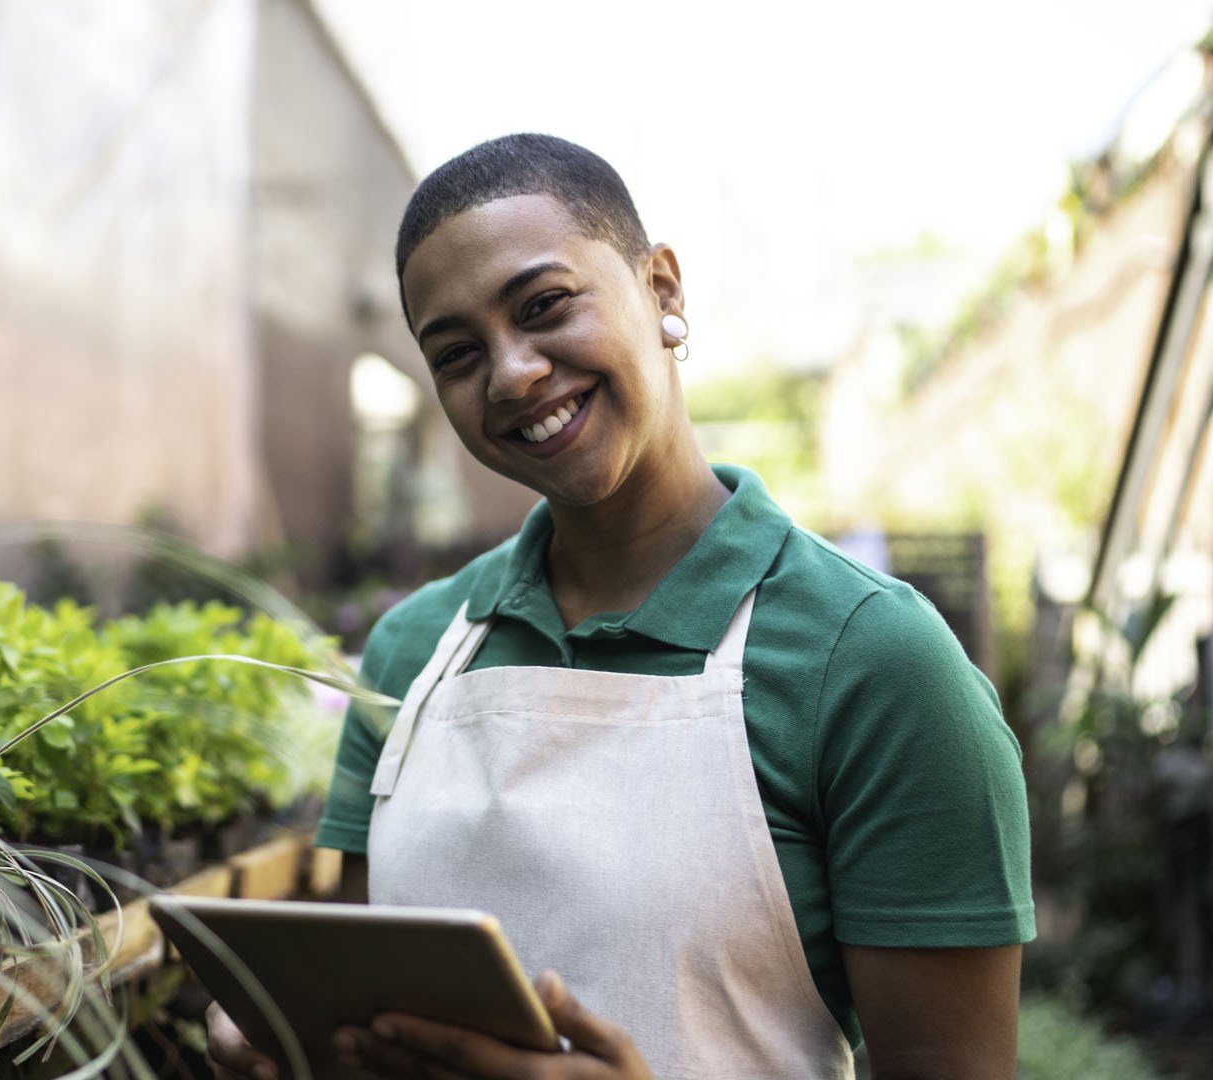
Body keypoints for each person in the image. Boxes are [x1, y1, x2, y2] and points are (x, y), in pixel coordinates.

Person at [206, 134, 1033, 1079]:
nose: (512, 373)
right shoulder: (410, 656)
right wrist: (287, 1041)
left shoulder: (875, 666)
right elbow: (371, 1018)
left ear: (663, 290)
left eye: (545, 306)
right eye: (457, 353)